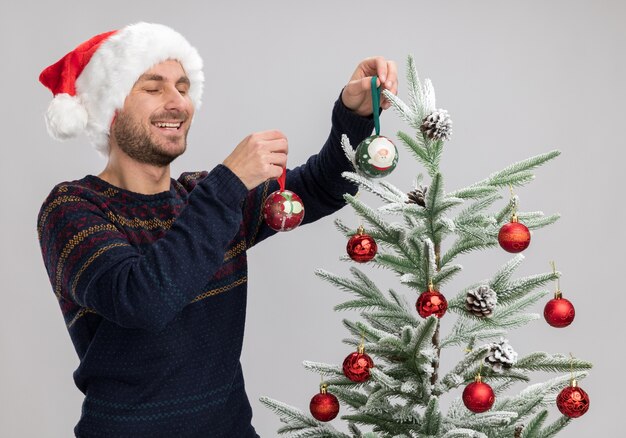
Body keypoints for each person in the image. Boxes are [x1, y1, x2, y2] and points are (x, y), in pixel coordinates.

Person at [37, 22, 397, 437]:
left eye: (184, 88)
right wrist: (227, 183)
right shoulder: (72, 208)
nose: (178, 102)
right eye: (153, 88)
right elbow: (144, 300)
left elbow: (320, 187)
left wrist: (354, 115)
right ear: (110, 109)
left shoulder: (202, 197)